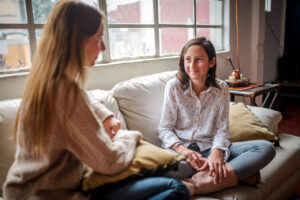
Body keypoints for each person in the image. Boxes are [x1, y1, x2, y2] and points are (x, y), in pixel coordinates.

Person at [2, 1, 190, 199]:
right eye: (98, 38)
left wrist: (107, 116)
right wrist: (130, 136)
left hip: (23, 191)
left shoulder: (47, 82)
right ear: (76, 41)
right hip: (52, 194)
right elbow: (110, 162)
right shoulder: (65, 93)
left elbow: (86, 100)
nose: (103, 46)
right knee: (177, 188)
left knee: (172, 174)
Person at [158, 37, 276, 196]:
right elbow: (165, 129)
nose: (192, 65)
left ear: (212, 62)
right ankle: (239, 175)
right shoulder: (174, 87)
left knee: (265, 148)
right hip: (181, 152)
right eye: (187, 59)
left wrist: (217, 152)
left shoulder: (221, 88)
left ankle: (195, 184)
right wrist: (183, 150)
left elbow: (222, 129)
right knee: (164, 171)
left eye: (198, 60)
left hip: (210, 147)